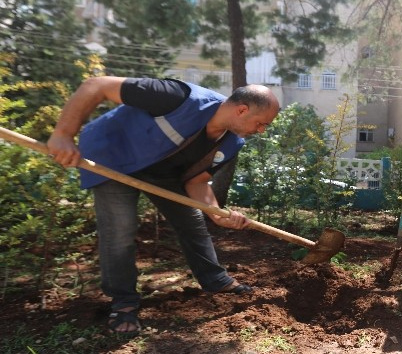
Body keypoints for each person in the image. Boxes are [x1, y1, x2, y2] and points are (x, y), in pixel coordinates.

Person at [46, 76, 281, 335]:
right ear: (242, 110)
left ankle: (215, 279)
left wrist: (218, 215)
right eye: (261, 124)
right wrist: (63, 134)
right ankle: (123, 302)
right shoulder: (176, 97)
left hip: (161, 172)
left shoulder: (231, 143)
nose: (261, 131)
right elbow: (95, 85)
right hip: (111, 159)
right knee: (120, 231)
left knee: (192, 222)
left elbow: (197, 183)